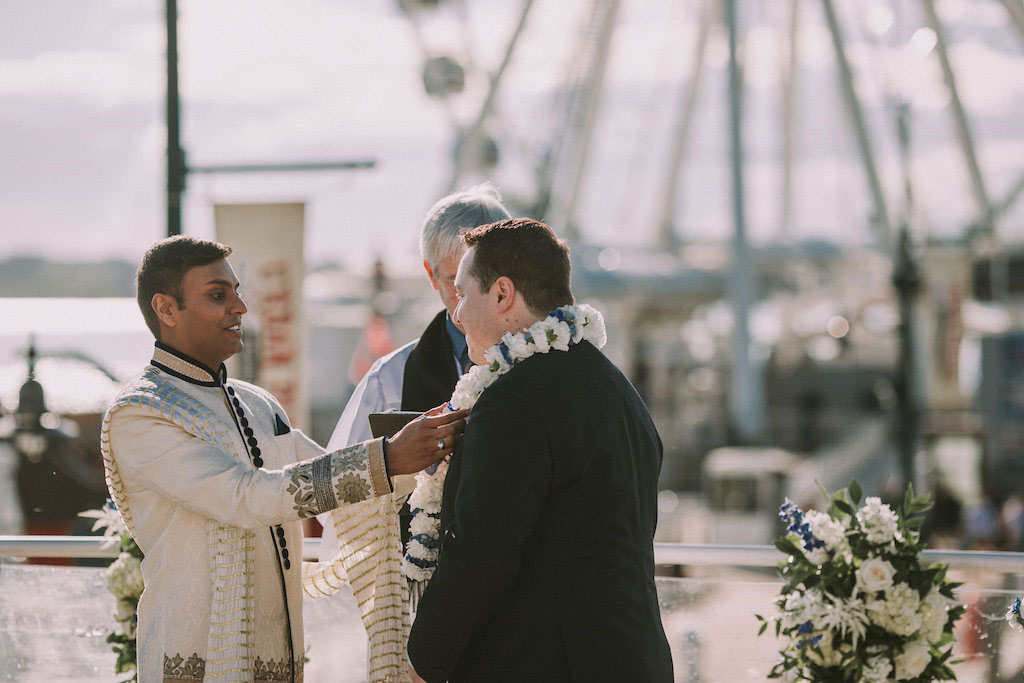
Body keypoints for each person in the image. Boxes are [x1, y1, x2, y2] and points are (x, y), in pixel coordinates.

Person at [101, 236, 466, 682]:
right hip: (191, 662)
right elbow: (247, 498)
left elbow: (345, 486)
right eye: (219, 295)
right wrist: (389, 457)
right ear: (167, 309)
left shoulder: (259, 404)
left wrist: (435, 454)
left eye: (237, 291)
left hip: (278, 658)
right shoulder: (141, 412)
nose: (240, 307)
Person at [406, 218, 673, 682]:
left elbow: (482, 553)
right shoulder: (617, 390)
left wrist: (424, 658)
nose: (457, 313)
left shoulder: (513, 401)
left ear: (503, 294)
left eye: (464, 293)